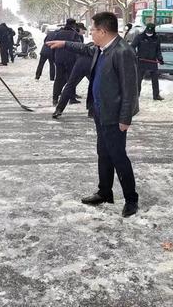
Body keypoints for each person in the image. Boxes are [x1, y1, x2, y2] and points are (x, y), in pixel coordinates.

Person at [47, 12, 139, 218]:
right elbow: (83, 48)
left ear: (103, 31)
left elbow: (130, 89)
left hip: (115, 115)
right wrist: (63, 43)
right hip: (100, 111)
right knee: (103, 154)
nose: (91, 34)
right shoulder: (102, 48)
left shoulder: (122, 52)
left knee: (118, 157)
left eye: (93, 30)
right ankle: (104, 192)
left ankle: (131, 199)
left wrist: (125, 118)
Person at [52, 43, 93, 118]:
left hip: (80, 63)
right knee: (94, 86)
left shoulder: (88, 45)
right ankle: (91, 111)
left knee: (70, 85)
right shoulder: (105, 46)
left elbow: (77, 49)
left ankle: (59, 109)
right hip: (92, 64)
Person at [52, 18, 83, 106]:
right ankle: (71, 98)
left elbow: (53, 45)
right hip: (71, 59)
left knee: (58, 78)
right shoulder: (75, 34)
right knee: (71, 78)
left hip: (59, 58)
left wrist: (54, 58)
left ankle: (55, 98)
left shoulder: (58, 33)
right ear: (73, 24)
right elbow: (79, 47)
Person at [131, 23, 164, 101]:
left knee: (155, 79)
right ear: (146, 30)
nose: (149, 33)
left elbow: (158, 50)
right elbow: (132, 47)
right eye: (148, 31)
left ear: (153, 31)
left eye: (150, 32)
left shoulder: (156, 38)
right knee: (138, 79)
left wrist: (160, 59)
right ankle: (136, 95)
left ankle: (156, 95)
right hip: (141, 61)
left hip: (152, 61)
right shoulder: (140, 37)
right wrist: (135, 55)